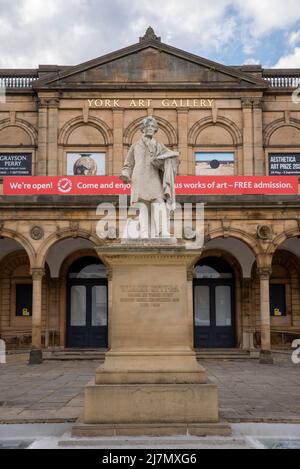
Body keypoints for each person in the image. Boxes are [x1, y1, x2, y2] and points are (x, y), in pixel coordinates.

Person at [120, 116, 180, 238]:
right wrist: (125, 175)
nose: (150, 129)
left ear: (155, 129)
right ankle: (144, 233)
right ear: (142, 129)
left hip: (153, 177)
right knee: (143, 206)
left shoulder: (159, 145)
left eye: (153, 127)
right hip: (139, 178)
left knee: (159, 202)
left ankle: (162, 231)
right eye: (147, 126)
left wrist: (169, 159)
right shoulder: (135, 146)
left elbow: (172, 157)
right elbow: (128, 164)